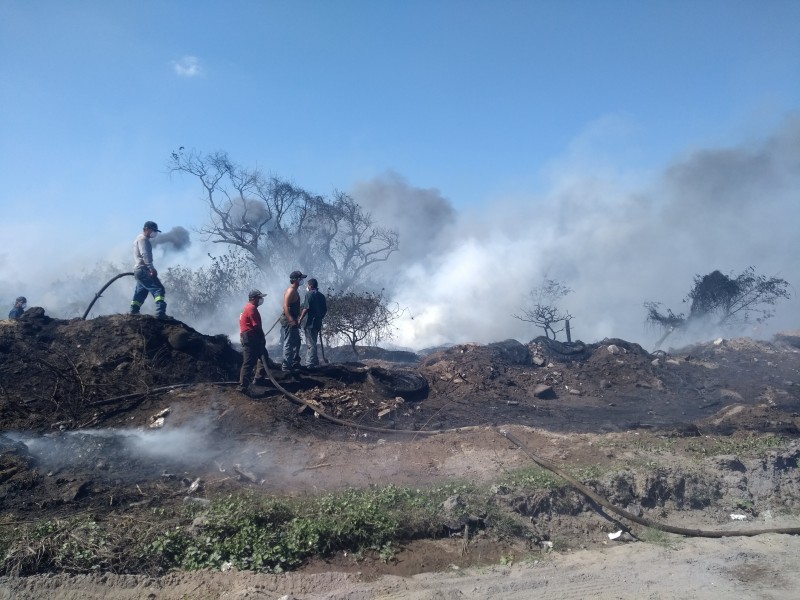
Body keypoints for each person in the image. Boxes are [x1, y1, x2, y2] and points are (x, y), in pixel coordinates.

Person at [130, 221, 169, 319]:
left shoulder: (137, 239)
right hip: (144, 269)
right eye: (153, 230)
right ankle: (160, 313)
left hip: (138, 271)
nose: (154, 233)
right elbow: (145, 255)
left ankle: (134, 311)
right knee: (159, 289)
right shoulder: (144, 240)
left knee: (141, 292)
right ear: (146, 229)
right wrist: (151, 269)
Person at [238, 289, 268, 395]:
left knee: (263, 356)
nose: (261, 300)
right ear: (254, 298)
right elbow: (256, 326)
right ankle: (243, 386)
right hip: (250, 337)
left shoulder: (247, 307)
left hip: (249, 336)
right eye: (259, 298)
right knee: (249, 362)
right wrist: (262, 337)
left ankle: (258, 379)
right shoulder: (251, 309)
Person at [298, 278, 327, 368]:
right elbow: (325, 310)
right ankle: (315, 361)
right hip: (318, 322)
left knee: (311, 344)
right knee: (313, 341)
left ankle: (309, 364)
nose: (306, 287)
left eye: (307, 285)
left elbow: (306, 308)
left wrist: (300, 319)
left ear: (310, 286)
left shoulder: (309, 294)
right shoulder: (321, 296)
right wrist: (320, 318)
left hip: (310, 322)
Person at [281, 270, 306, 372]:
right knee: (289, 342)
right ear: (296, 280)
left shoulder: (295, 290)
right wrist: (291, 319)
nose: (302, 281)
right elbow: (286, 306)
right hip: (289, 320)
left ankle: (295, 363)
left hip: (293, 319)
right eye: (301, 279)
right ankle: (286, 366)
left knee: (297, 342)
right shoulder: (290, 291)